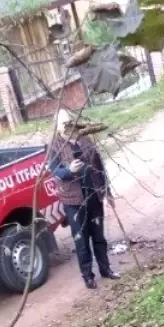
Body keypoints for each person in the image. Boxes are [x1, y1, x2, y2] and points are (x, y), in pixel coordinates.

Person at [47, 108, 119, 289]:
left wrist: (107, 191)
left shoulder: (84, 139)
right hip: (74, 201)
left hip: (94, 194)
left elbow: (99, 164)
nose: (67, 125)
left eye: (69, 121)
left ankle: (106, 269)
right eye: (63, 123)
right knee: (81, 239)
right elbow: (56, 172)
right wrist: (69, 170)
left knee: (99, 236)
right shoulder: (54, 146)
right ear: (56, 126)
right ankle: (88, 276)